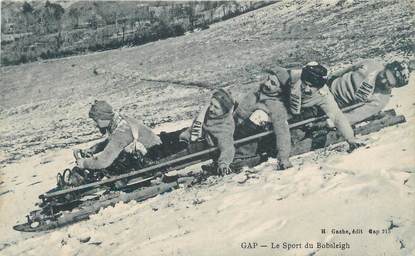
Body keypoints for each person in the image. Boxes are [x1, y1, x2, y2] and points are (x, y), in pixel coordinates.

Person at [58, 100, 162, 187]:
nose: (95, 124)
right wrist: (93, 149)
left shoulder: (122, 131)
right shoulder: (119, 120)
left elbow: (104, 161)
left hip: (151, 157)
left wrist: (84, 163)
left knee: (108, 168)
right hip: (150, 149)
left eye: (96, 120)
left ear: (103, 118)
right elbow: (112, 141)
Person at [270, 62, 363, 151]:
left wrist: (351, 139)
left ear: (319, 87)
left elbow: (338, 117)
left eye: (311, 87)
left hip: (299, 112)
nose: (306, 89)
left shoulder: (324, 96)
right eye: (305, 83)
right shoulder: (292, 75)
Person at [233, 74, 292, 170]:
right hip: (234, 126)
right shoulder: (257, 91)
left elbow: (283, 132)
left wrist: (284, 158)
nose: (267, 83)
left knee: (259, 115)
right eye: (268, 79)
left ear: (280, 90)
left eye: (273, 83)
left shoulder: (276, 106)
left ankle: (240, 157)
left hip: (247, 136)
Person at [328, 60, 410, 124]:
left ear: (393, 86)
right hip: (328, 86)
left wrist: (335, 121)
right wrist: (330, 78)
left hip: (333, 105)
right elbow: (349, 69)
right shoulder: (371, 64)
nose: (383, 80)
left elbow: (356, 115)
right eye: (385, 75)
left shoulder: (381, 99)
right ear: (385, 68)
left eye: (389, 83)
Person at [180, 89, 236, 176]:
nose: (211, 109)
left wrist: (223, 164)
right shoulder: (208, 114)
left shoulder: (224, 127)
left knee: (169, 158)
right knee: (167, 140)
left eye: (216, 107)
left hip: (199, 149)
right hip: (191, 139)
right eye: (211, 104)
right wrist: (185, 137)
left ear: (224, 111)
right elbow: (195, 127)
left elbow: (227, 148)